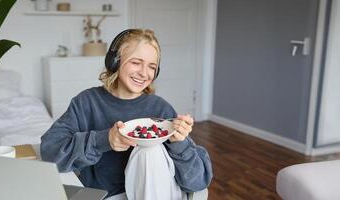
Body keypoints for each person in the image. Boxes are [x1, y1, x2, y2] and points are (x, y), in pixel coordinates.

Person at [41, 29, 212, 199]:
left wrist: (179, 144)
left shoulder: (161, 109)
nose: (144, 73)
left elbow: (198, 182)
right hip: (106, 196)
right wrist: (105, 139)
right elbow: (50, 151)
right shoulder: (86, 103)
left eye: (152, 67)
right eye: (136, 62)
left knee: (149, 151)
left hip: (157, 192)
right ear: (114, 61)